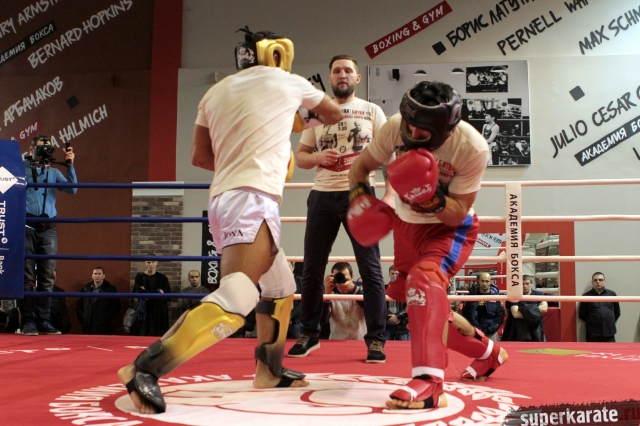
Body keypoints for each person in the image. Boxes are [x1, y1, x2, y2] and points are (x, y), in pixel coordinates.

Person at [117, 28, 342, 415]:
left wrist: (249, 153)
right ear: (275, 53)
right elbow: (334, 113)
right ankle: (144, 368)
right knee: (238, 296)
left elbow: (200, 156)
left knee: (280, 287)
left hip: (225, 198)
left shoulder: (215, 92)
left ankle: (269, 370)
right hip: (251, 199)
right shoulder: (287, 80)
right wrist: (296, 119)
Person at [348, 81, 508, 409]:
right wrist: (361, 198)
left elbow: (457, 212)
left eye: (420, 129)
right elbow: (359, 168)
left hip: (449, 229)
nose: (410, 132)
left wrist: (429, 196)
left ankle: (430, 383)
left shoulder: (471, 147)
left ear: (444, 130)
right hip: (406, 226)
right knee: (421, 305)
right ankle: (488, 352)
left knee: (424, 282)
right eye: (408, 123)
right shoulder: (395, 126)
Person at [288, 54, 390, 363]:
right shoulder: (316, 112)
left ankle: (376, 340)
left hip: (360, 194)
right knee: (312, 268)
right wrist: (319, 158)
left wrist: (390, 195)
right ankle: (308, 334)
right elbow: (301, 156)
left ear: (357, 77)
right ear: (330, 78)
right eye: (336, 71)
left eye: (348, 70)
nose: (342, 74)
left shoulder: (372, 111)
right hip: (322, 194)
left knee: (371, 269)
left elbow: (389, 155)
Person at [21, 135, 77, 336]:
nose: (45, 151)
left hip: (49, 228)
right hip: (27, 226)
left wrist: (69, 165)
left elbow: (72, 189)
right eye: (41, 147)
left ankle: (43, 321)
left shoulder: (54, 172)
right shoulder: (22, 169)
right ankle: (28, 321)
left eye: (48, 147)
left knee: (47, 278)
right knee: (27, 277)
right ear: (31, 149)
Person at [319, 262, 367, 341]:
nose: (341, 279)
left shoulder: (361, 290)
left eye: (344, 276)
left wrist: (354, 290)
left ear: (352, 276)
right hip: (336, 341)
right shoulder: (329, 292)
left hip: (360, 341)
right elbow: (323, 319)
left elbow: (372, 310)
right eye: (337, 276)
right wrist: (327, 295)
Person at [132, 256, 171, 336]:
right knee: (142, 336)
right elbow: (139, 293)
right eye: (148, 262)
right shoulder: (140, 276)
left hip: (159, 312)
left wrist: (147, 293)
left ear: (156, 263)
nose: (151, 264)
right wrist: (157, 291)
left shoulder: (162, 278)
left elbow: (168, 296)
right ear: (145, 263)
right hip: (144, 311)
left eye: (153, 262)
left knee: (157, 336)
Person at [502, 275, 547, 342]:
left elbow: (544, 308)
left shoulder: (538, 294)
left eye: (527, 283)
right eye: (522, 284)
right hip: (518, 331)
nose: (525, 286)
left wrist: (523, 310)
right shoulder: (514, 295)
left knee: (540, 348)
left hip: (536, 329)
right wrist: (535, 312)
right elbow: (515, 314)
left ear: (531, 283)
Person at [578, 272, 621, 342]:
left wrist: (609, 321)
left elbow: (617, 312)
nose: (598, 282)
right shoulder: (586, 296)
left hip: (609, 333)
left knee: (611, 349)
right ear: (592, 282)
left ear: (605, 281)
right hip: (593, 334)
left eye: (600, 280)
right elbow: (582, 315)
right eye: (595, 280)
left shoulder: (612, 294)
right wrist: (593, 322)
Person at [76, 267, 120, 335]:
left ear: (103, 276)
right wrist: (83, 319)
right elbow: (79, 305)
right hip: (88, 325)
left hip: (104, 326)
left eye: (99, 274)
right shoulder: (85, 289)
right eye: (95, 274)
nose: (97, 276)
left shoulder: (110, 289)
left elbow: (116, 306)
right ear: (92, 275)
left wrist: (106, 318)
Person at [462, 272, 504, 341]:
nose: (484, 283)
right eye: (482, 281)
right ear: (478, 281)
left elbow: (499, 316)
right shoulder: (471, 296)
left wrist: (490, 329)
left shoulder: (496, 297)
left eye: (487, 281)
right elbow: (465, 314)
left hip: (490, 332)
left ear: (490, 282)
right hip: (474, 331)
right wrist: (473, 328)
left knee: (493, 348)